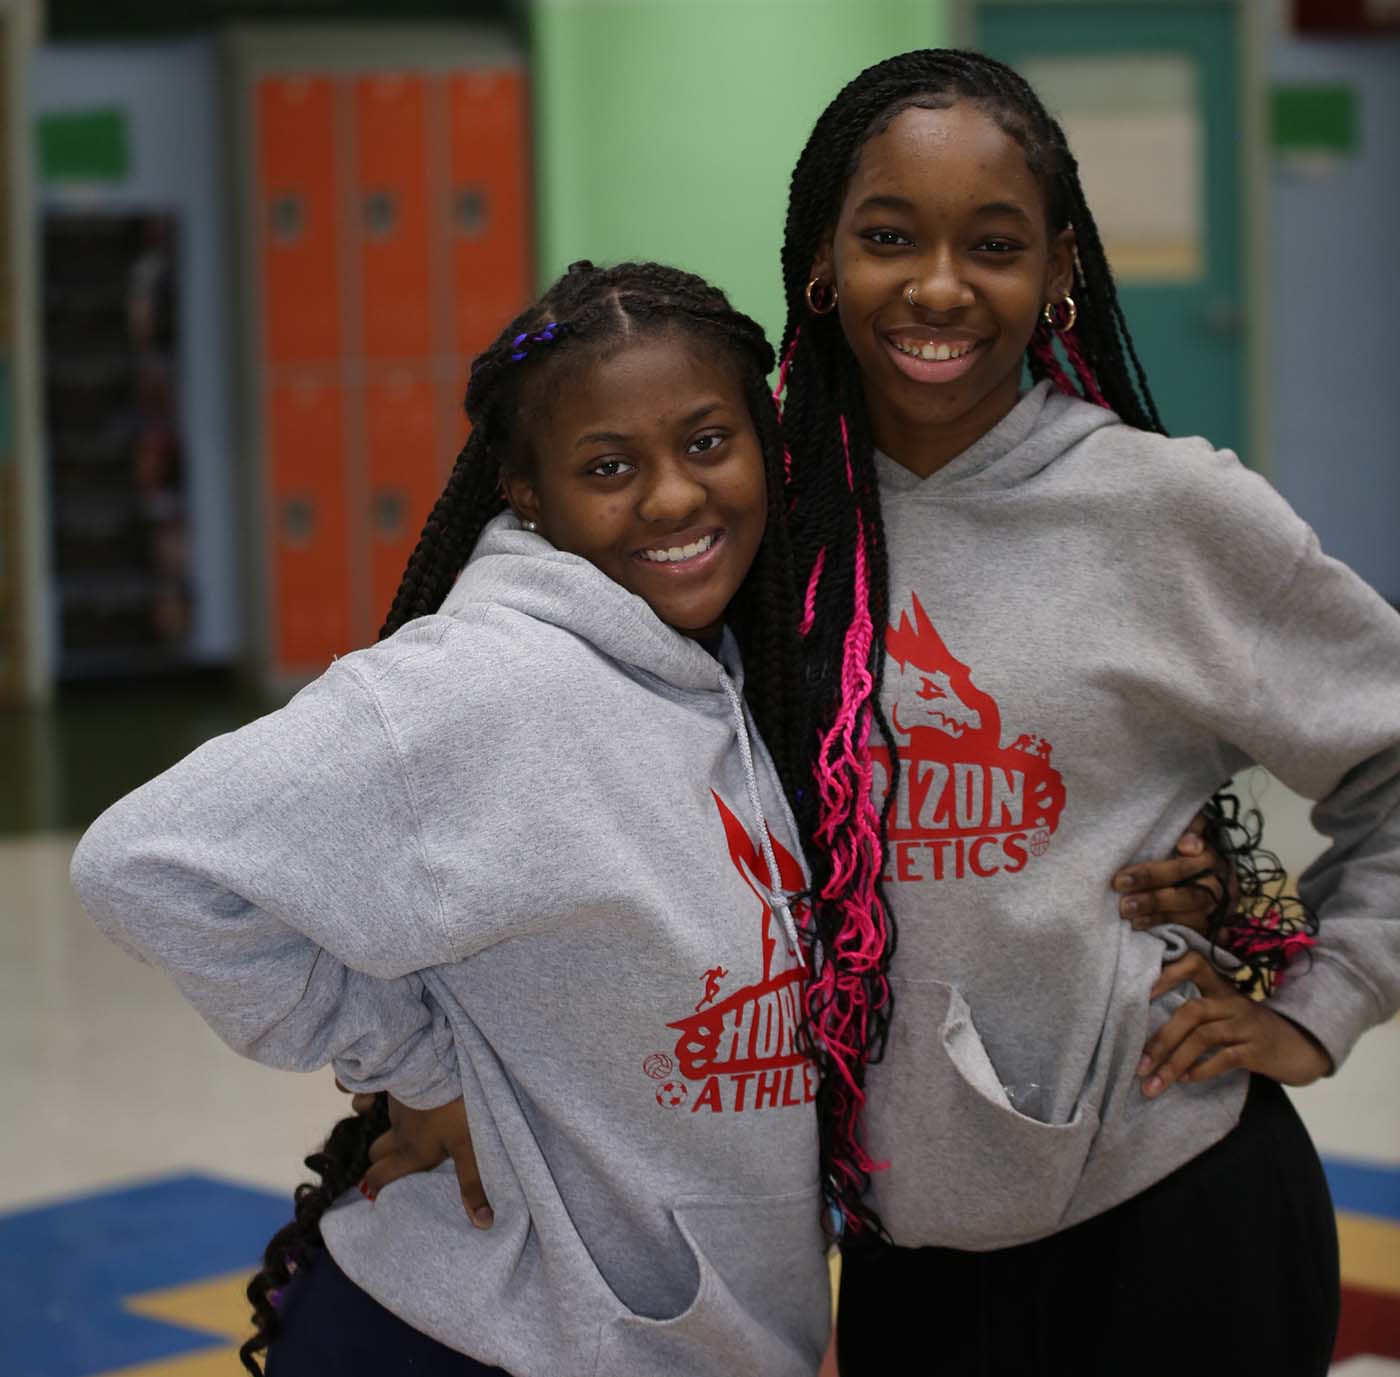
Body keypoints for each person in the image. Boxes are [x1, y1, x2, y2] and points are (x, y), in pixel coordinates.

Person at [71, 261, 832, 1377]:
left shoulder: (723, 669)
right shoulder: (481, 684)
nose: (673, 497)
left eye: (708, 441)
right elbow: (141, 862)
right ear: (525, 490)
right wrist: (412, 1070)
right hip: (473, 1339)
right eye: (608, 466)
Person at [776, 49, 1399, 1374]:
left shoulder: (1168, 511)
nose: (939, 285)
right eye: (891, 236)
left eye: (991, 244)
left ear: (1058, 269)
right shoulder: (762, 530)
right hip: (903, 1243)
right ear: (823, 258)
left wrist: (1321, 989)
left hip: (1172, 1209)